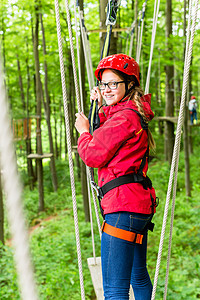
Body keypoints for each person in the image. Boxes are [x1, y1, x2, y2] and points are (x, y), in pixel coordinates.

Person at [75, 53, 158, 300]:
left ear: (129, 84)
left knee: (114, 290)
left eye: (114, 84)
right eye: (104, 84)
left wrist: (83, 132)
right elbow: (111, 135)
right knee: (137, 276)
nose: (107, 89)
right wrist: (100, 106)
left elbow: (92, 153)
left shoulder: (124, 117)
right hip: (136, 208)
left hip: (122, 208)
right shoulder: (131, 112)